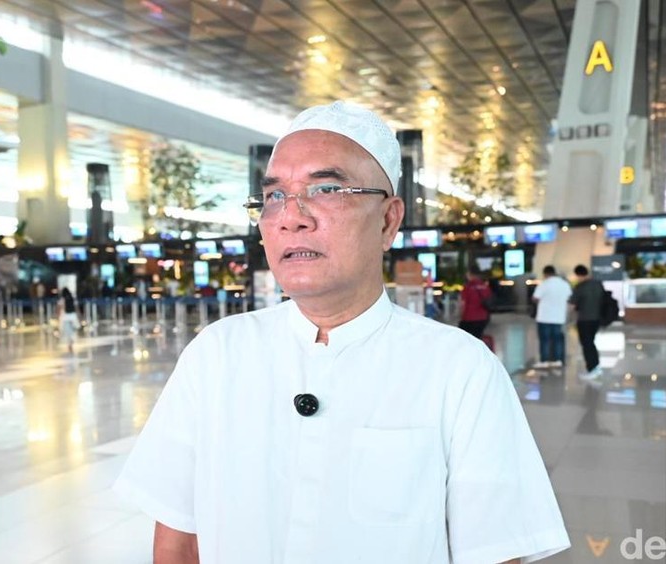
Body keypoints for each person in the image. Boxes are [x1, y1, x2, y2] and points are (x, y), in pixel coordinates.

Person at [117, 101, 569, 563]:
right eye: (275, 196)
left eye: (326, 189)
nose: (291, 216)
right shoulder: (216, 354)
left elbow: (495, 552)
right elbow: (178, 540)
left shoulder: (461, 370)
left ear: (389, 220)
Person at [569, 264, 605, 380]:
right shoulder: (598, 284)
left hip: (584, 319)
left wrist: (569, 317)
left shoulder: (580, 287)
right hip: (596, 319)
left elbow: (572, 305)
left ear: (578, 275)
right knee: (591, 343)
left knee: (587, 345)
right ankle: (596, 367)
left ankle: (592, 369)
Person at [533, 265, 573, 369]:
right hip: (559, 317)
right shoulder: (564, 284)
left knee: (545, 340)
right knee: (558, 339)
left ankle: (544, 361)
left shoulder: (544, 284)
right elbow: (570, 298)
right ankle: (558, 360)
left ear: (545, 274)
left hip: (544, 317)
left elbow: (535, 298)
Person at [457, 267, 492, 339]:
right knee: (477, 337)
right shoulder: (485, 286)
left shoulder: (468, 287)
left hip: (469, 318)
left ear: (471, 274)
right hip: (483, 318)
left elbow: (463, 303)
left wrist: (460, 315)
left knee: (462, 337)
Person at [57, 287, 78, 354]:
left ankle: (69, 344)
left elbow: (59, 308)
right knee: (73, 331)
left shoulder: (62, 299)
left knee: (67, 332)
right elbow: (76, 308)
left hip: (65, 317)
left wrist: (58, 316)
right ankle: (71, 343)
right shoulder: (73, 298)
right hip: (73, 316)